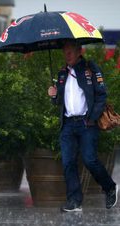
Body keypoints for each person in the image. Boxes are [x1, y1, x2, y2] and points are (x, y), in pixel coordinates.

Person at [48, 40, 118, 212]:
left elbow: (101, 95)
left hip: (87, 123)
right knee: (68, 163)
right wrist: (53, 95)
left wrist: (92, 118)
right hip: (68, 125)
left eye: (70, 51)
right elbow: (58, 101)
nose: (67, 55)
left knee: (89, 160)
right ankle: (75, 201)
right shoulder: (62, 73)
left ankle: (109, 188)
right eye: (65, 52)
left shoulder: (90, 69)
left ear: (79, 51)